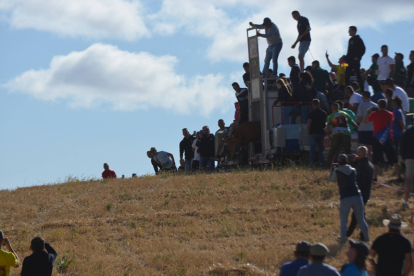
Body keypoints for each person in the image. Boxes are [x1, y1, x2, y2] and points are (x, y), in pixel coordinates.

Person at [330, 154, 370, 243]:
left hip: (345, 197)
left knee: (344, 221)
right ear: (347, 161)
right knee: (361, 220)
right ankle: (367, 239)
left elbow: (331, 180)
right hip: (357, 196)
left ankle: (343, 240)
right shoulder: (353, 170)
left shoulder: (337, 172)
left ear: (339, 163)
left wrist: (332, 170)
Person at [365, 99, 401, 181]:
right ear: (386, 106)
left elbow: (366, 120)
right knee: (394, 160)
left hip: (376, 139)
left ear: (378, 106)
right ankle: (399, 177)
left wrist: (369, 112)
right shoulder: (391, 114)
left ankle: (374, 178)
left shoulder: (374, 114)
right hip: (388, 139)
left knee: (375, 160)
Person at [346, 147, 373, 240]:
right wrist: (357, 160)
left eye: (358, 152)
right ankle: (360, 235)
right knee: (360, 215)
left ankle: (349, 235)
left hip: (360, 194)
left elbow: (359, 181)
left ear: (360, 153)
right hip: (366, 194)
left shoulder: (361, 166)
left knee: (356, 216)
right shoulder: (369, 165)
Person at [356, 91, 377, 160]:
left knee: (362, 150)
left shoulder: (362, 105)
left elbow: (358, 119)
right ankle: (370, 165)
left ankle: (362, 164)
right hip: (372, 130)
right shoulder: (376, 106)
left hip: (363, 130)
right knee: (370, 151)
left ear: (364, 97)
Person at [345, 26, 365, 92]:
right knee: (347, 75)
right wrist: (345, 60)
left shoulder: (358, 39)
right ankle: (347, 90)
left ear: (353, 31)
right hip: (349, 61)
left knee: (358, 75)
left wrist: (358, 57)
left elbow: (363, 49)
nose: (348, 32)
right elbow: (348, 51)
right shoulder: (350, 40)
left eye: (350, 30)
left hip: (355, 61)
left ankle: (362, 89)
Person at [307, 99, 327, 166]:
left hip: (313, 133)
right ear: (319, 104)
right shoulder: (324, 113)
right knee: (321, 150)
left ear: (313, 105)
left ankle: (311, 163)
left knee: (312, 150)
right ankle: (321, 163)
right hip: (321, 133)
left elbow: (308, 125)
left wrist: (309, 132)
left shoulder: (311, 114)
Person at [401, 125, 414, 205]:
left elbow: (402, 144)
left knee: (408, 179)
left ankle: (405, 200)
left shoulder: (408, 131)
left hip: (409, 157)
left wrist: (403, 157)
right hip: (409, 157)